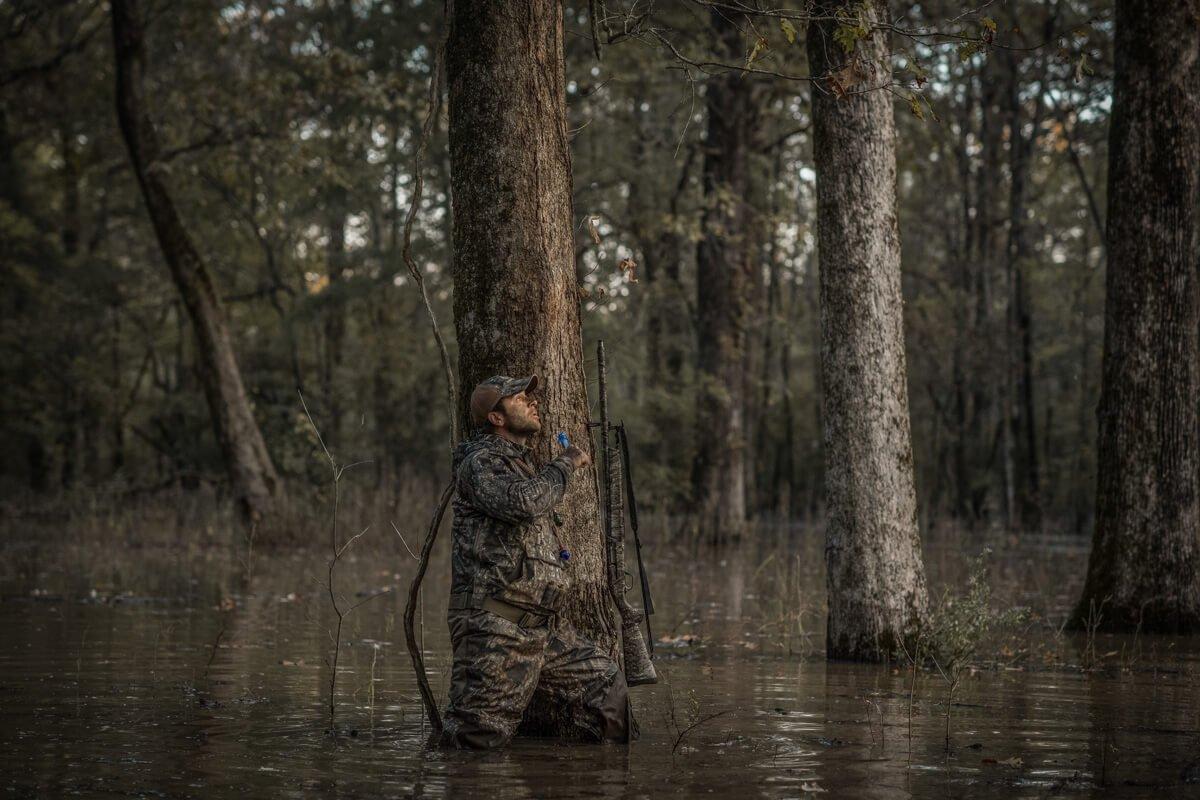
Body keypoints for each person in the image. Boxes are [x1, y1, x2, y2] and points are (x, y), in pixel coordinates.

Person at [439, 374, 636, 748]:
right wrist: (564, 463)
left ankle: (611, 781)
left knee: (608, 685)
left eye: (530, 396)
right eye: (519, 398)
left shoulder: (523, 467)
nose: (532, 402)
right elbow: (523, 502)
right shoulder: (480, 464)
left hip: (544, 631)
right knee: (476, 740)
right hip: (494, 628)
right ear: (496, 418)